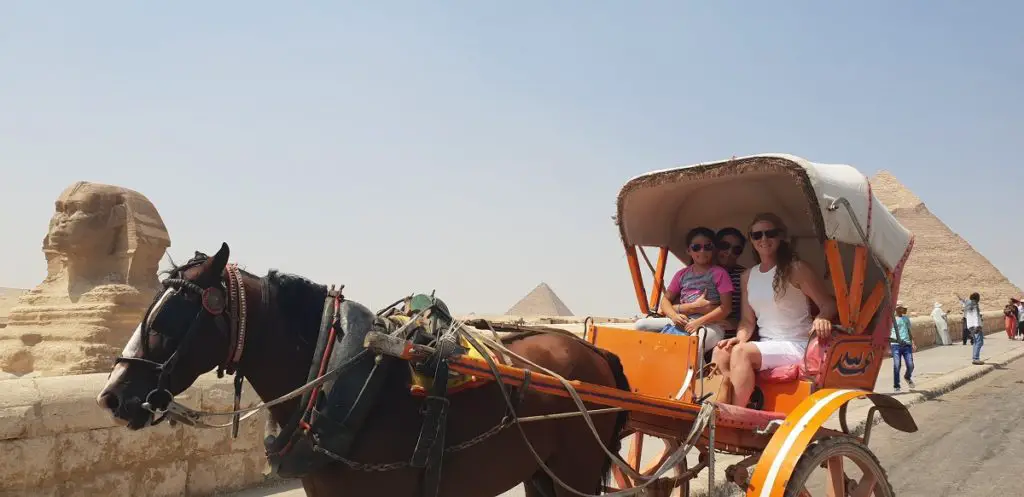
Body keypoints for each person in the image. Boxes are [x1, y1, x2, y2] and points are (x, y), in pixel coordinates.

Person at [711, 212, 837, 408]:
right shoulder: (747, 276)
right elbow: (747, 320)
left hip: (795, 344)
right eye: (757, 235)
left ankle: (734, 414)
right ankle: (720, 404)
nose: (763, 239)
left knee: (742, 353)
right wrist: (739, 338)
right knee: (721, 351)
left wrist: (822, 318)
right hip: (767, 345)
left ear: (781, 237)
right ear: (751, 240)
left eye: (770, 233)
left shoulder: (796, 269)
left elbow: (828, 304)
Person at [634, 227, 733, 353]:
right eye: (696, 247)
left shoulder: (719, 273)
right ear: (688, 251)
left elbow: (726, 308)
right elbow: (665, 300)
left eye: (707, 247)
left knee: (694, 345)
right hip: (683, 320)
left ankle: (693, 372)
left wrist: (698, 322)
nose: (702, 251)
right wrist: (674, 316)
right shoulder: (682, 274)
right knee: (640, 325)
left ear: (713, 249)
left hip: (711, 324)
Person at [890, 301, 916, 392]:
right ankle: (896, 385)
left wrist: (913, 342)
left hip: (906, 344)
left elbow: (909, 331)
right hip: (895, 345)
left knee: (911, 365)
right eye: (902, 308)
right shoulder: (891, 319)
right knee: (897, 365)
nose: (904, 310)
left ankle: (907, 377)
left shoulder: (906, 319)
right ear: (897, 309)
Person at [956, 292, 984, 365]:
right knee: (979, 342)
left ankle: (975, 358)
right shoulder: (975, 305)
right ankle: (976, 359)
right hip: (975, 326)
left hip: (970, 326)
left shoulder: (967, 303)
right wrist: (977, 326)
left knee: (975, 342)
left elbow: (962, 300)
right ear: (977, 298)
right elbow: (975, 316)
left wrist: (958, 295)